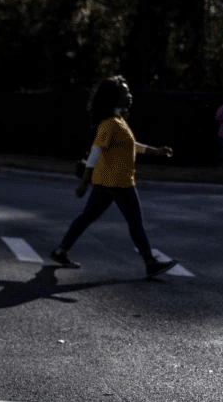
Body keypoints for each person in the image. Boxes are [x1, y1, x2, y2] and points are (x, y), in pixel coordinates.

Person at [50, 76, 179, 278]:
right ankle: (150, 262)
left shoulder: (118, 121)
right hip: (118, 182)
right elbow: (95, 153)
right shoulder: (110, 124)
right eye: (125, 92)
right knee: (135, 221)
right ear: (114, 97)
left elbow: (130, 146)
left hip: (106, 182)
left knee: (87, 217)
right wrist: (83, 183)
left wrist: (157, 151)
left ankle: (60, 251)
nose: (130, 96)